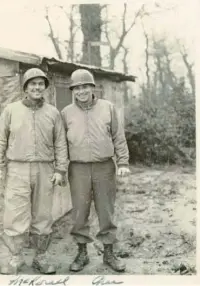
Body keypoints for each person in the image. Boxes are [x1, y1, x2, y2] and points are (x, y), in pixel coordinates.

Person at [0, 68, 68, 275]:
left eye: (40, 84)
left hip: (45, 168)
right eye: (32, 84)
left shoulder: (53, 113)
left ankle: (40, 257)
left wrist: (61, 169)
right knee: (15, 214)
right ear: (25, 88)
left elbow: (60, 142)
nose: (36, 87)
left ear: (45, 87)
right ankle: (15, 257)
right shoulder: (11, 110)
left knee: (42, 215)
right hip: (17, 168)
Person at [61, 69, 131, 273]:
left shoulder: (107, 108)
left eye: (85, 86)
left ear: (93, 88)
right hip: (78, 168)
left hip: (104, 167)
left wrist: (123, 162)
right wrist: (60, 168)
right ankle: (82, 253)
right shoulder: (66, 113)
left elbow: (119, 137)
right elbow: (61, 144)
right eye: (77, 88)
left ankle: (109, 252)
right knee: (80, 212)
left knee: (105, 210)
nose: (81, 91)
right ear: (73, 90)